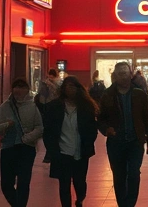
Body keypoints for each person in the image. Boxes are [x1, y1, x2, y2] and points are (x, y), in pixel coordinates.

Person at [98, 62, 148, 207]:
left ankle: (130, 203)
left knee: (133, 174)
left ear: (130, 75)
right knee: (119, 176)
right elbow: (100, 118)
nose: (124, 77)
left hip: (135, 141)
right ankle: (122, 204)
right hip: (115, 142)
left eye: (126, 73)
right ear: (115, 76)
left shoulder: (139, 94)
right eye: (120, 74)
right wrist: (106, 129)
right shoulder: (107, 95)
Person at [41, 75, 99, 207]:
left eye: (73, 86)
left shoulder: (86, 107)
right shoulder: (55, 107)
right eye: (67, 87)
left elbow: (92, 129)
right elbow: (48, 130)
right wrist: (52, 149)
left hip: (81, 151)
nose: (70, 89)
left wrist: (89, 142)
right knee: (64, 184)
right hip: (62, 152)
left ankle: (80, 199)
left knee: (80, 182)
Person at [0, 78, 43, 207]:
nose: (18, 90)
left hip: (27, 148)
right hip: (8, 148)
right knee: (6, 184)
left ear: (27, 90)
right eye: (16, 87)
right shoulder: (5, 107)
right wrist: (7, 125)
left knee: (23, 182)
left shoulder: (33, 107)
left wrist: (28, 138)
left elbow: (39, 127)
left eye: (21, 87)